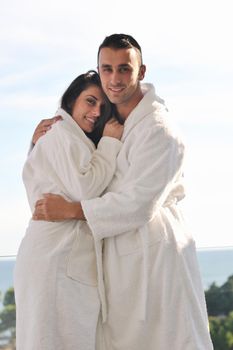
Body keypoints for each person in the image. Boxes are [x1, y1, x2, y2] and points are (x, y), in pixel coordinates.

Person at [32, 34, 214, 349]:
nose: (115, 79)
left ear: (141, 72)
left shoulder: (160, 130)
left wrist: (72, 210)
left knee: (169, 338)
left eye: (124, 69)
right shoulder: (112, 118)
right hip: (120, 256)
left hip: (155, 255)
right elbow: (84, 162)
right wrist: (49, 136)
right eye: (107, 69)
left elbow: (139, 204)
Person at [14, 70, 124, 350]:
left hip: (55, 256)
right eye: (90, 101)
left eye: (103, 107)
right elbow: (86, 188)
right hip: (55, 258)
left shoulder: (67, 137)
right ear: (71, 101)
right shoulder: (60, 132)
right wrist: (110, 143)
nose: (97, 111)